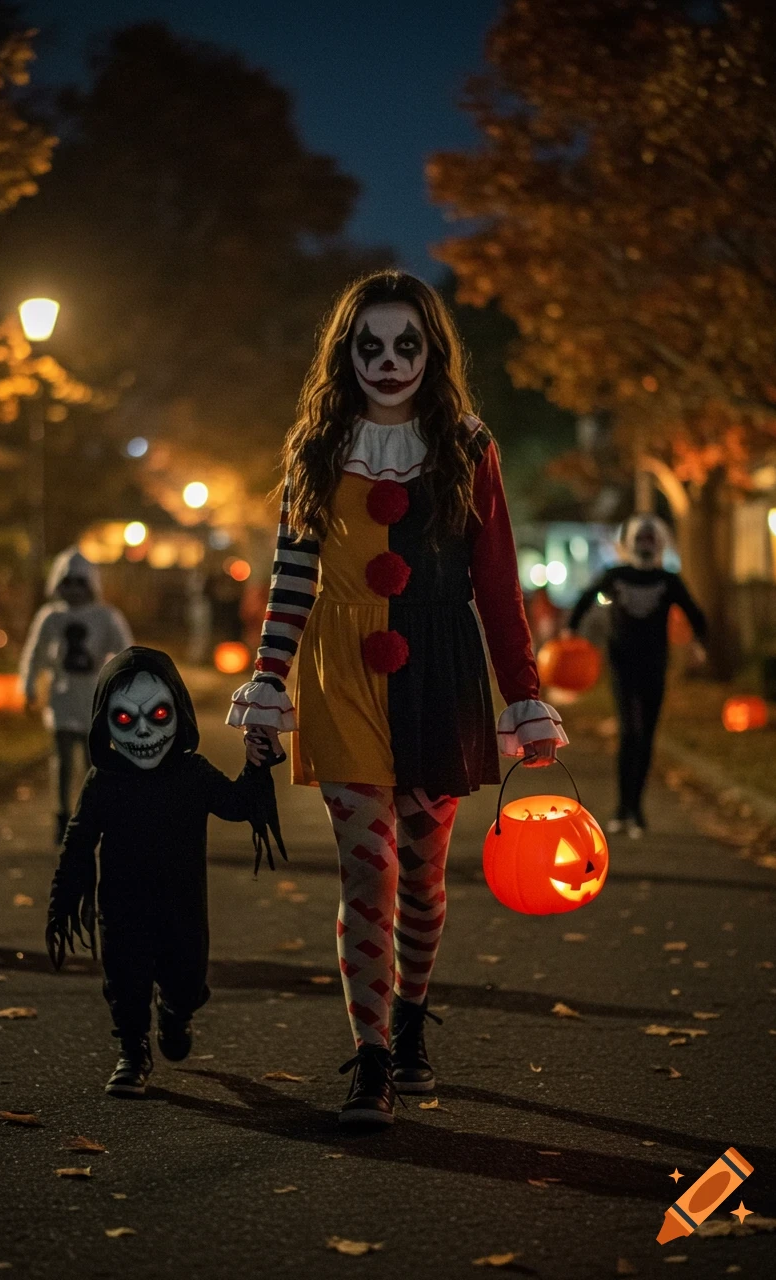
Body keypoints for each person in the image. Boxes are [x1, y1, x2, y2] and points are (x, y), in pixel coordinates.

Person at [227, 270, 567, 1126]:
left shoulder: (468, 446)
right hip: (342, 672)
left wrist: (524, 696)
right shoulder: (316, 445)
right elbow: (292, 576)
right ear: (345, 353)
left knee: (421, 876)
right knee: (368, 870)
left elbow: (498, 584)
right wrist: (268, 679)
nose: (387, 360)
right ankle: (372, 1055)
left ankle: (411, 1019)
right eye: (369, 344)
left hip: (440, 674)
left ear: (432, 351)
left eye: (405, 344)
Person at [46, 646, 286, 1098]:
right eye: (124, 718)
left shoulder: (191, 773)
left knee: (186, 979)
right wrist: (65, 897)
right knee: (124, 979)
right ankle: (133, 1050)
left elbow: (237, 804)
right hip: (121, 906)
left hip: (183, 906)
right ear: (105, 722)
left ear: (178, 711)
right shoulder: (105, 781)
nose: (142, 731)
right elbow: (78, 839)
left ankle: (176, 1011)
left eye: (157, 714)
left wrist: (256, 765)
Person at [565, 514, 706, 838]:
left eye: (650, 539)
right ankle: (622, 808)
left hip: (655, 665)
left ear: (659, 543)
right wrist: (570, 631)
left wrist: (700, 643)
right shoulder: (615, 575)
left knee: (647, 737)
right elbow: (585, 599)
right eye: (639, 539)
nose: (645, 545)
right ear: (629, 542)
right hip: (622, 664)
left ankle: (636, 809)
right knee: (629, 732)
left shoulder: (668, 580)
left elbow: (695, 613)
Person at [19, 547, 132, 845]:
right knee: (63, 760)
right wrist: (28, 686)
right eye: (67, 582)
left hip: (94, 697)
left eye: (80, 583)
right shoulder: (50, 617)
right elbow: (35, 653)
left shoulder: (105, 616)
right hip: (62, 694)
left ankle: (93, 814)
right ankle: (62, 814)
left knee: (94, 762)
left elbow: (125, 651)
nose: (74, 590)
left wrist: (126, 686)